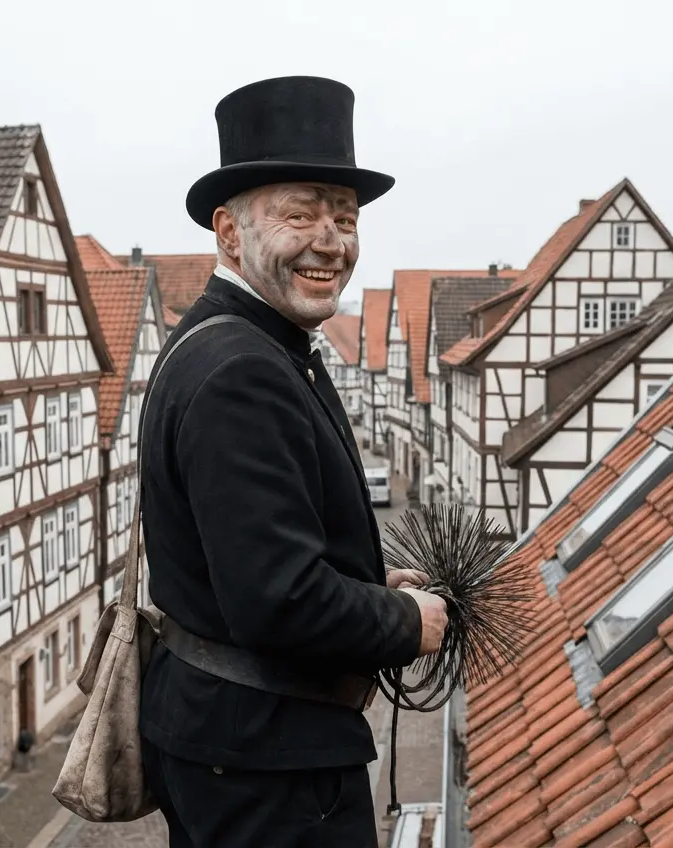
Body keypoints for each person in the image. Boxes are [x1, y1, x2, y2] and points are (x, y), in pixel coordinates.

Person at [138, 76, 449, 847]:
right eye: (299, 214)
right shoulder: (242, 370)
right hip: (268, 770)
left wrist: (366, 585)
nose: (330, 241)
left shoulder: (243, 343)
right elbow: (277, 600)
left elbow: (258, 555)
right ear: (230, 233)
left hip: (242, 750)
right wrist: (406, 620)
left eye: (344, 219)